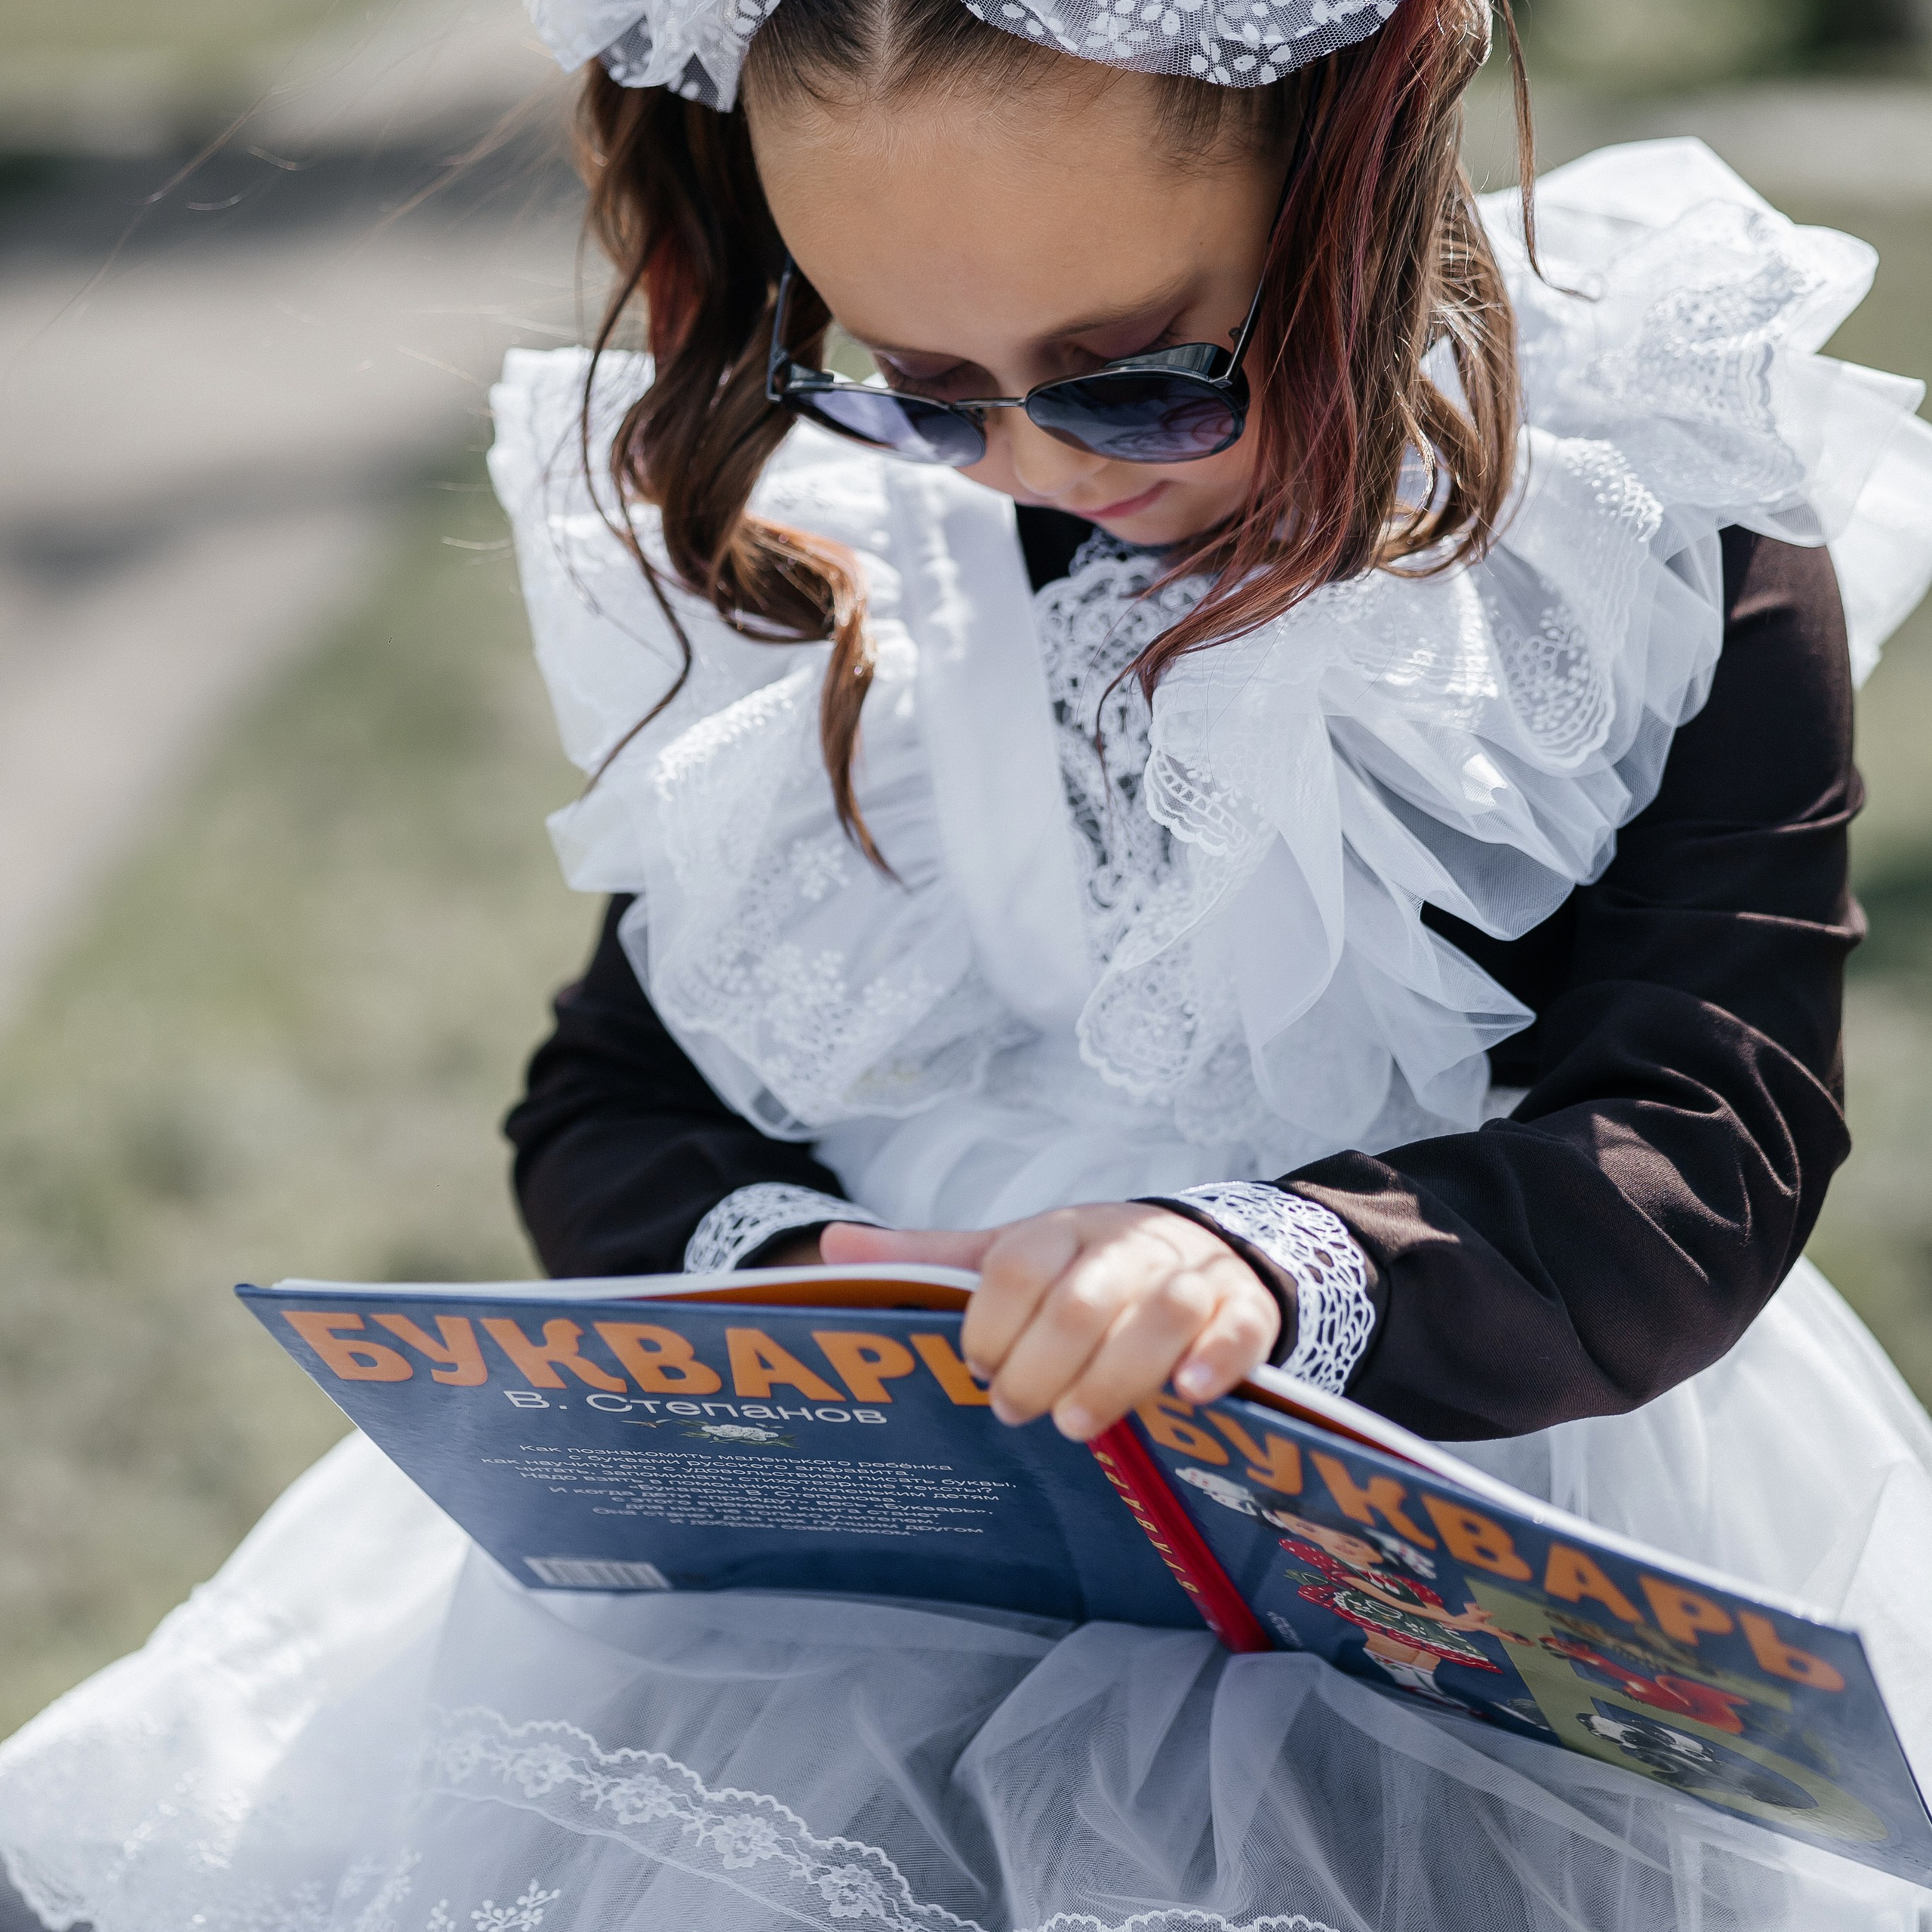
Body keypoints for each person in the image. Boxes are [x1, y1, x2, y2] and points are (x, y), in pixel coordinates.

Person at [5, 0, 1932, 1924]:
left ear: (1348, 172)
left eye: (1133, 379)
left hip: (1489, 1477)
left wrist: (1266, 1262)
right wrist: (794, 1277)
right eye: (922, 384)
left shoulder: (1629, 498)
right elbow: (616, 1089)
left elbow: (1700, 1136)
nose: (1017, 466)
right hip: (879, 1564)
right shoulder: (844, 547)